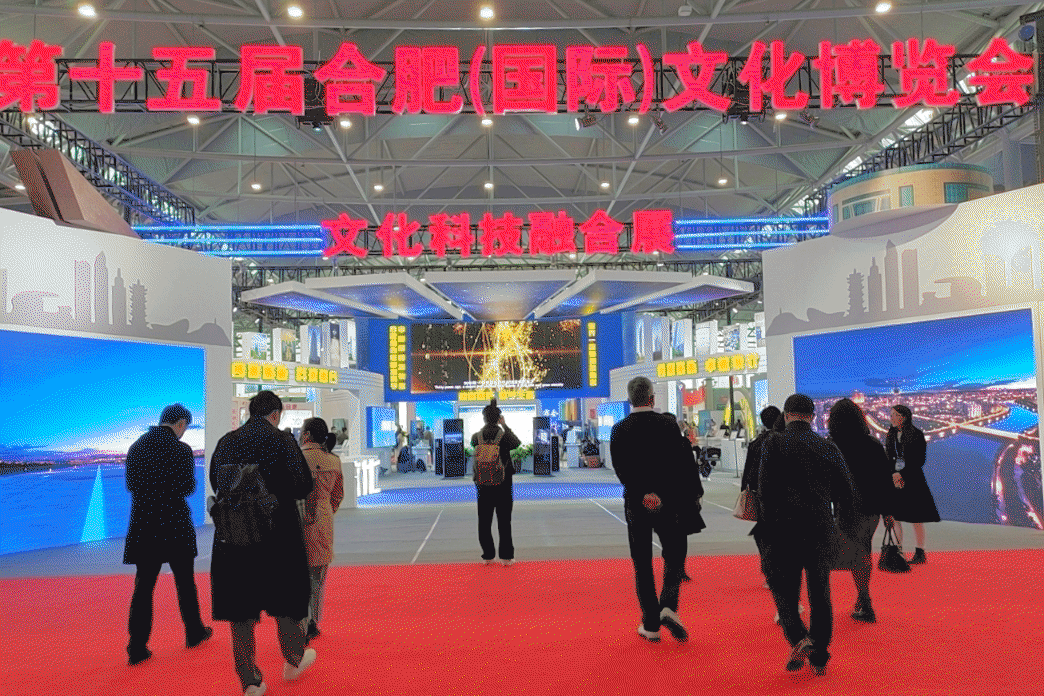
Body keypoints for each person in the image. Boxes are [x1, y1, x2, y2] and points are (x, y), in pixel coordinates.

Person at [209, 390, 316, 696]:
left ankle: (251, 681)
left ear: (249, 411)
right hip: (278, 535)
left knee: (240, 610)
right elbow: (303, 485)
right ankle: (294, 659)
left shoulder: (226, 442)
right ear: (276, 414)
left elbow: (216, 483)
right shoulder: (283, 440)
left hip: (236, 537)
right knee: (287, 600)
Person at [755, 394, 856, 676]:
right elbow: (846, 489)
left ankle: (799, 638)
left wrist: (768, 526)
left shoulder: (774, 443)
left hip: (782, 529)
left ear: (786, 414)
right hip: (819, 527)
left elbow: (764, 490)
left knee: (784, 590)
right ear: (812, 417)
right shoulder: (827, 446)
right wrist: (831, 512)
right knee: (819, 592)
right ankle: (820, 655)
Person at [610, 376, 702, 643]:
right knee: (674, 552)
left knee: (642, 561)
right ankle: (668, 605)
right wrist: (661, 493)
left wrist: (643, 493)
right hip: (668, 500)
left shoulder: (619, 429)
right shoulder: (668, 424)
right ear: (652, 397)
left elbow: (621, 469)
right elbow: (677, 463)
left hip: (636, 502)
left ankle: (650, 623)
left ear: (629, 400)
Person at [123, 403, 212, 666]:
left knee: (143, 587)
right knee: (185, 582)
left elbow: (131, 485)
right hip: (175, 524)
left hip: (144, 524)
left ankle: (137, 647)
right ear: (181, 423)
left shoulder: (137, 447)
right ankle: (194, 632)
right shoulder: (182, 450)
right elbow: (188, 487)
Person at [827, 398, 893, 623]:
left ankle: (864, 601)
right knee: (863, 550)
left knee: (853, 553)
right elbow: (884, 481)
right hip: (871, 508)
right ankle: (863, 599)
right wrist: (888, 512)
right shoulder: (873, 444)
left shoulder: (831, 446)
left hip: (843, 507)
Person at [299, 417, 344, 644]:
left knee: (298, 574)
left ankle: (300, 621)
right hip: (323, 520)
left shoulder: (296, 457)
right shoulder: (333, 461)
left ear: (306, 435)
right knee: (318, 575)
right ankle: (313, 621)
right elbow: (338, 495)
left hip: (298, 520)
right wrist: (326, 510)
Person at [884, 404, 940, 564]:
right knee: (895, 517)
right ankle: (898, 552)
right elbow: (888, 456)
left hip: (913, 479)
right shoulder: (891, 434)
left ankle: (920, 552)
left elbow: (919, 460)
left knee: (916, 518)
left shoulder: (916, 434)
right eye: (890, 414)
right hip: (894, 479)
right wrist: (893, 473)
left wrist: (901, 474)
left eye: (894, 415)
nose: (891, 418)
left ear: (903, 417)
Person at [470, 400, 521, 565]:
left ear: (484, 418)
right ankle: (506, 556)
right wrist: (504, 425)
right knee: (504, 520)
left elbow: (473, 446)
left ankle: (488, 555)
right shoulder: (504, 436)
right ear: (499, 418)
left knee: (484, 520)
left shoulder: (476, 437)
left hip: (482, 483)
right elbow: (517, 443)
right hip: (503, 483)